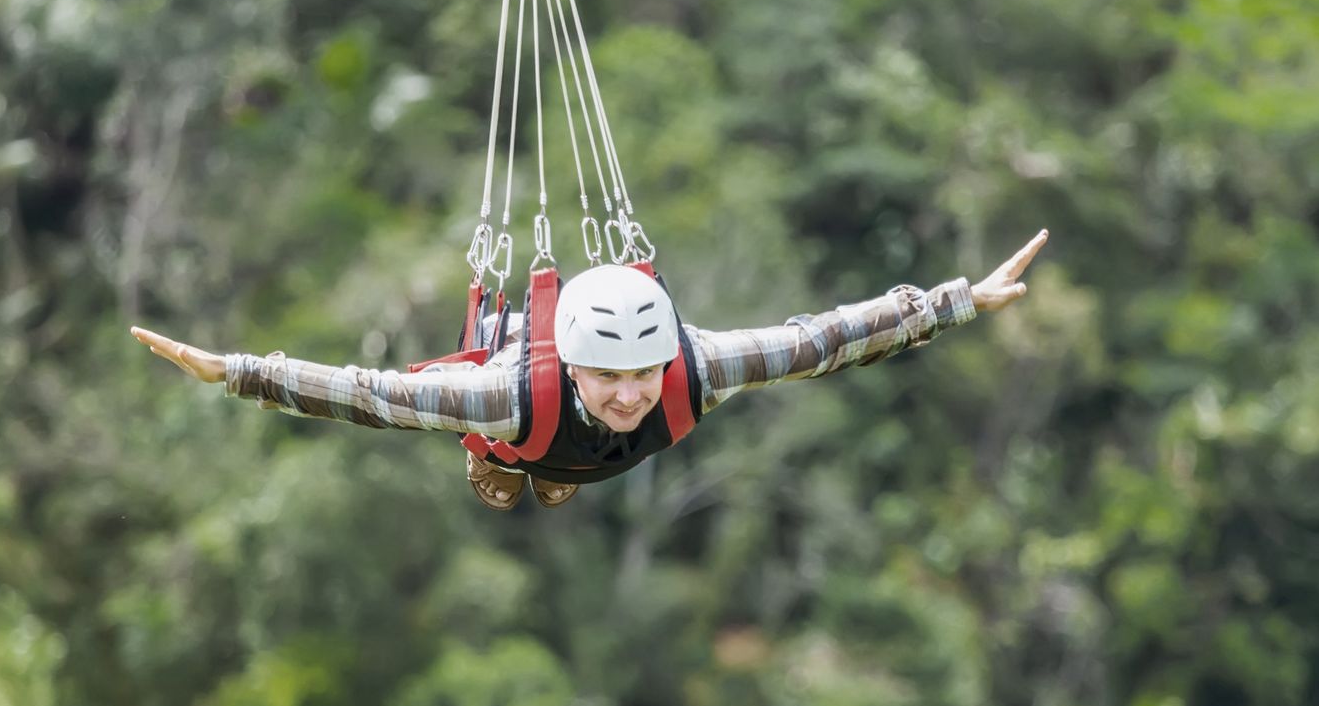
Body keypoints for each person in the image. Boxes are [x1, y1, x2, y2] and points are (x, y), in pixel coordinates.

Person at [131, 229, 1048, 510]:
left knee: (586, 454)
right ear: (571, 367)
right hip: (520, 433)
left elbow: (825, 338)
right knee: (515, 458)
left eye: (642, 374)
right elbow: (371, 395)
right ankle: (505, 467)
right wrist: (238, 372)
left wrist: (960, 298)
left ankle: (550, 474)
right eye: (608, 379)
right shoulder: (502, 389)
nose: (630, 392)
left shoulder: (697, 369)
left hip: (579, 446)